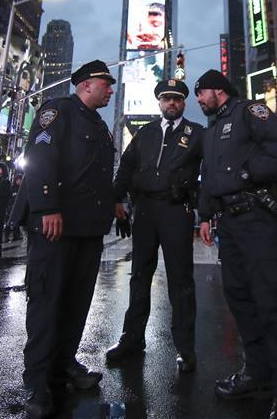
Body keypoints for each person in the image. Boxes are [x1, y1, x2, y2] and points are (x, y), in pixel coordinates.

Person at [195, 69, 277, 419]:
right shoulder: (211, 133)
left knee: (268, 301)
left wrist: (247, 173)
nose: (198, 100)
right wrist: (205, 216)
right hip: (229, 224)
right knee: (239, 299)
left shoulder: (249, 112)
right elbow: (208, 178)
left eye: (201, 93)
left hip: (256, 219)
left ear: (217, 90)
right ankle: (257, 375)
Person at [21, 60, 118, 418]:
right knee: (47, 301)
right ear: (85, 85)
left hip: (88, 228)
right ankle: (37, 381)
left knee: (77, 302)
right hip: (55, 225)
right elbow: (41, 157)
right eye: (105, 84)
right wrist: (47, 205)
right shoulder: (58, 111)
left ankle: (64, 364)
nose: (110, 89)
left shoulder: (99, 124)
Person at [107, 78, 204, 372]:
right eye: (166, 99)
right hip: (146, 210)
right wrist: (117, 201)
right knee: (139, 276)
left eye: (176, 99)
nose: (171, 103)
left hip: (177, 210)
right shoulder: (146, 133)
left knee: (181, 280)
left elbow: (211, 171)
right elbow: (125, 167)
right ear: (159, 103)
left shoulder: (197, 134)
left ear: (183, 103)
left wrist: (208, 213)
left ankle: (185, 348)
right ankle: (132, 339)